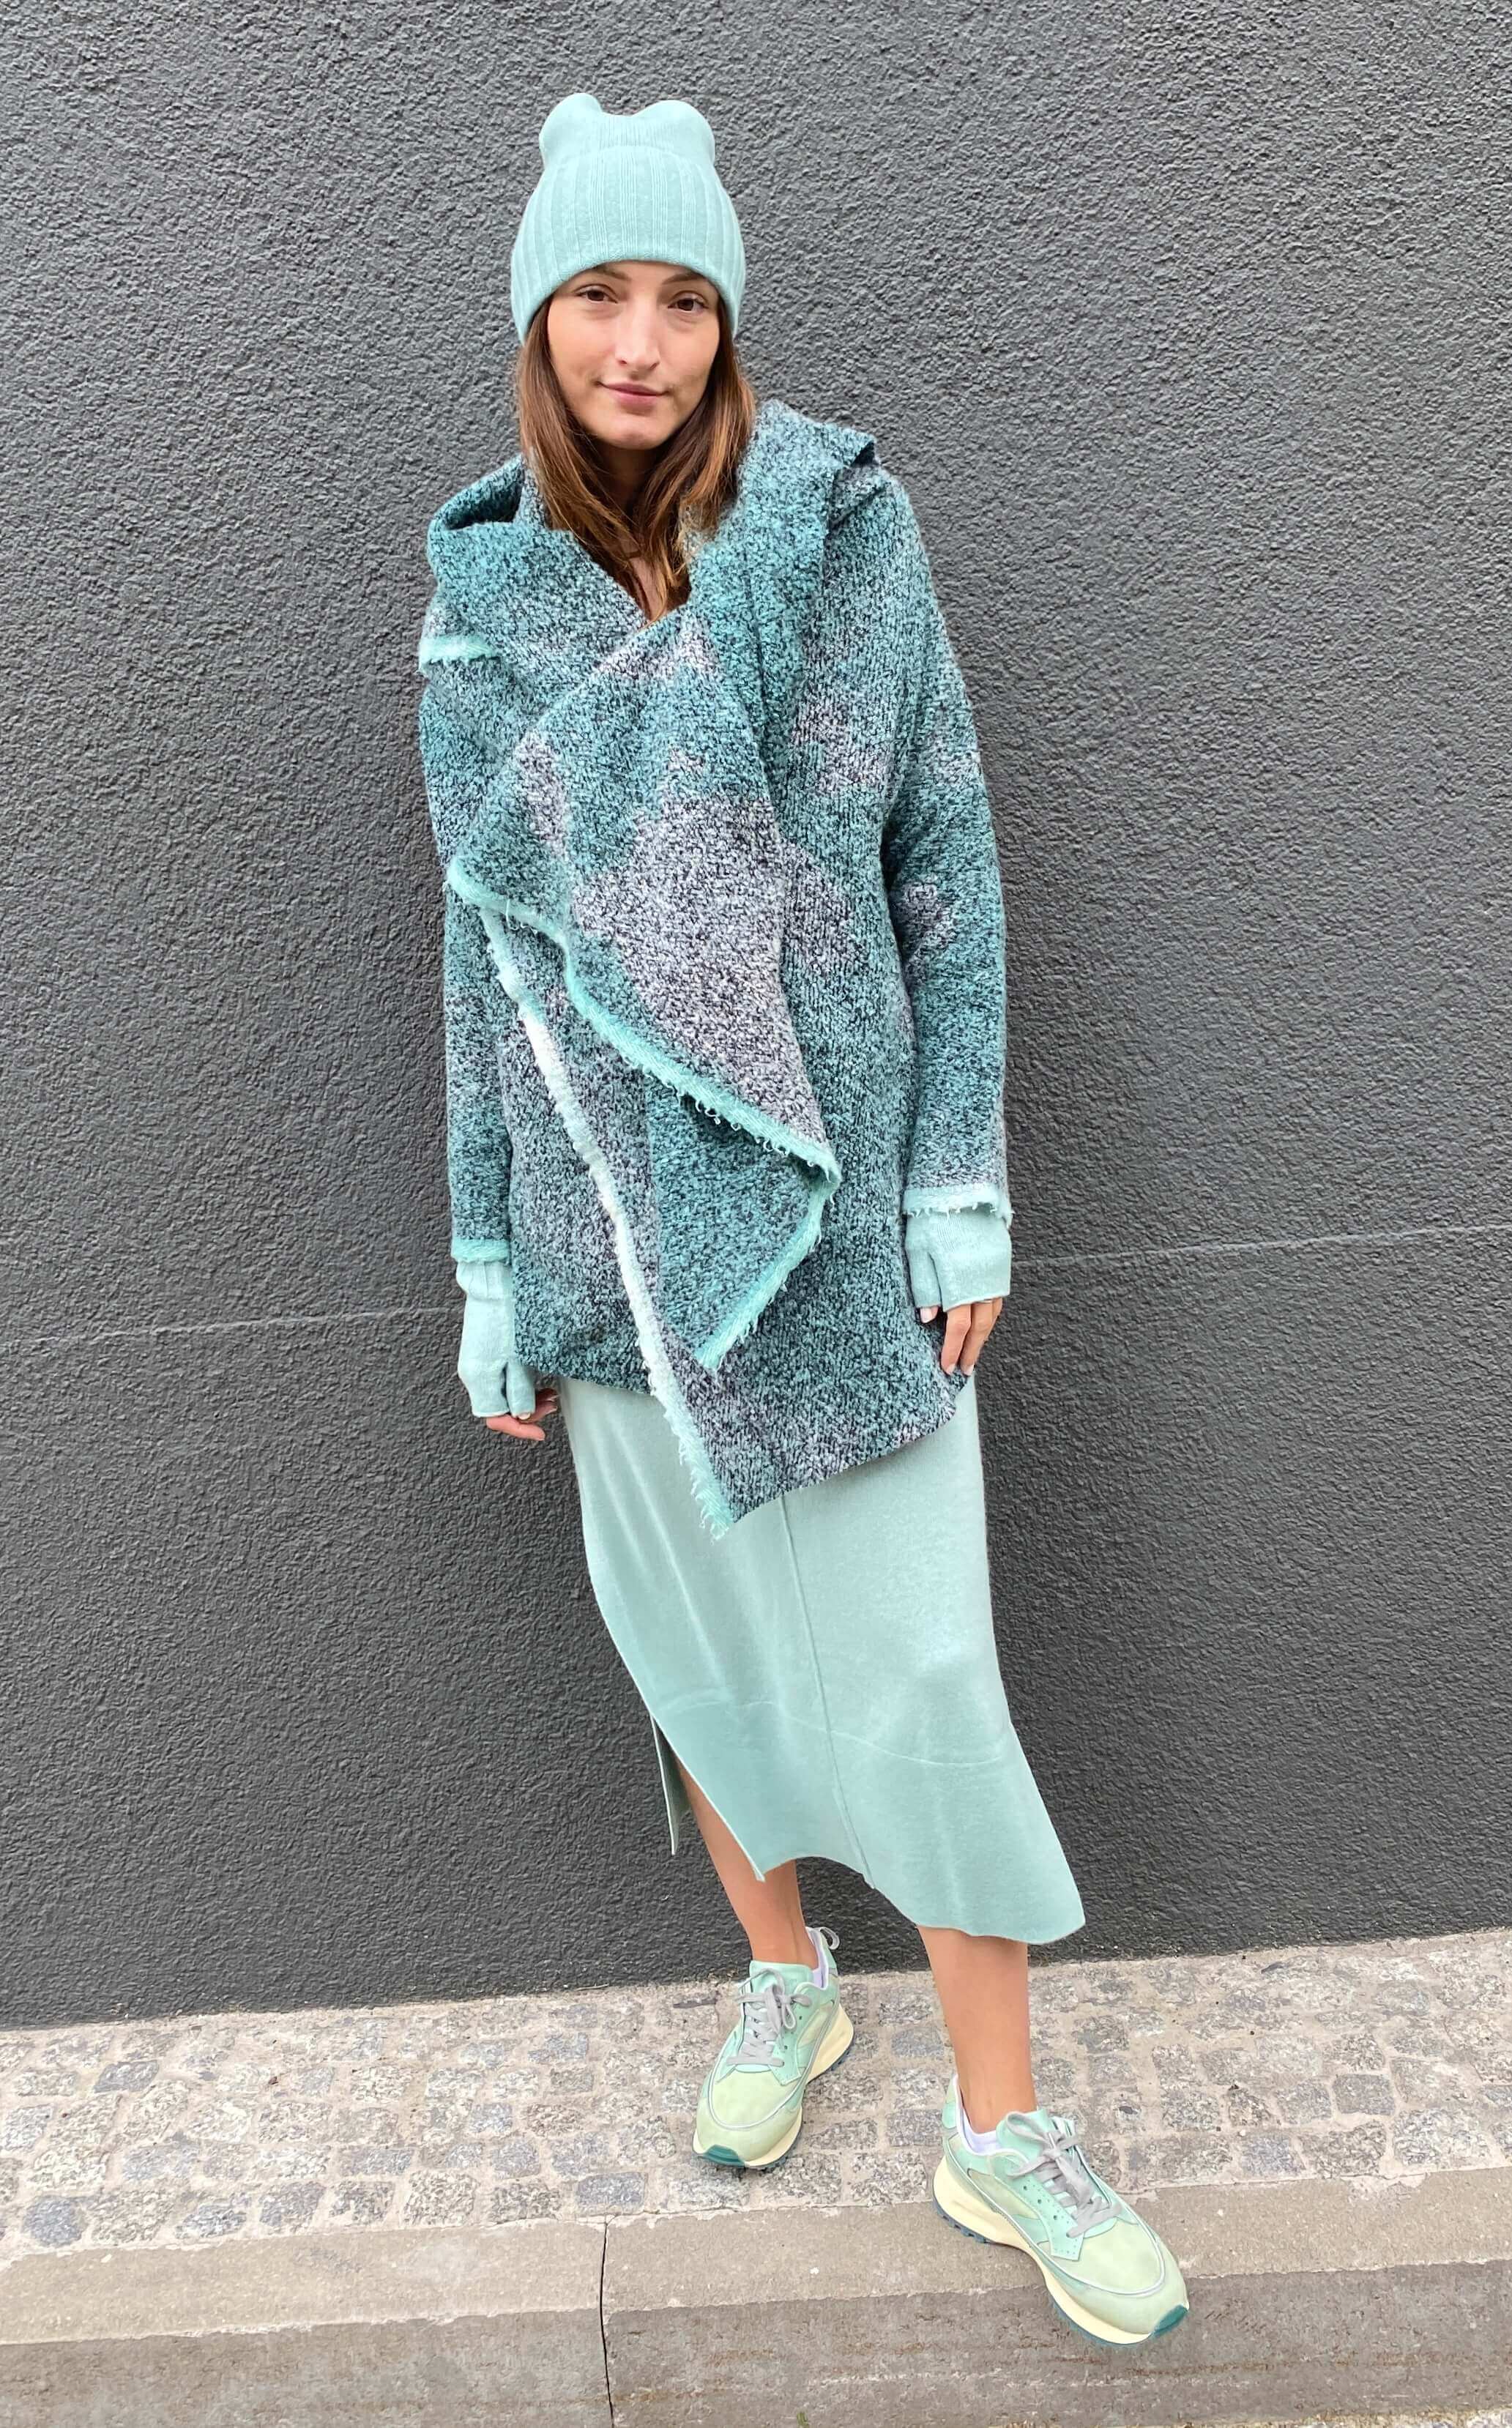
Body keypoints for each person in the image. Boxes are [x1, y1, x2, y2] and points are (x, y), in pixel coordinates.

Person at [414, 89, 1188, 2350]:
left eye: (681, 298)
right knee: (697, 1653)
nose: (638, 342)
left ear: (725, 321)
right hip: (610, 1230)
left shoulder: (842, 530)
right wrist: (488, 1259)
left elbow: (944, 857)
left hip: (843, 1221)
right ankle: (786, 1977)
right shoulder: (476, 606)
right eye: (596, 294)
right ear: (538, 322)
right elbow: (486, 959)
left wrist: (960, 1184)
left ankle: (1001, 2125)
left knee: (925, 1671)